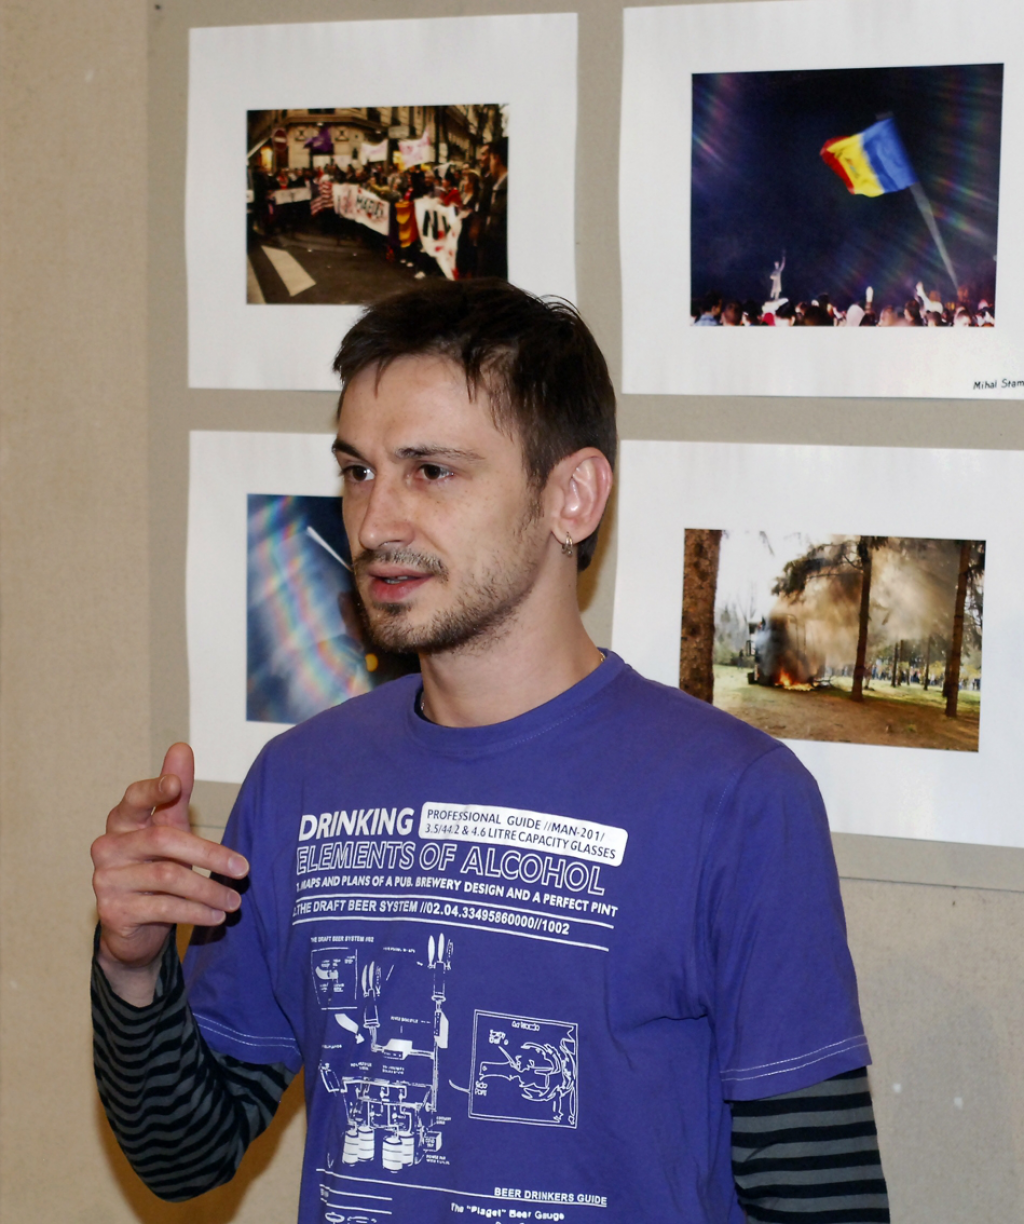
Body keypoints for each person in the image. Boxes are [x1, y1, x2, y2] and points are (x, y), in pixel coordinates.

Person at [91, 280, 888, 1223]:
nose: (375, 524)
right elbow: (185, 1153)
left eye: (431, 471)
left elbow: (820, 1200)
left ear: (572, 497)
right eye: (358, 471)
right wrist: (133, 967)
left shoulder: (737, 798)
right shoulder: (298, 782)